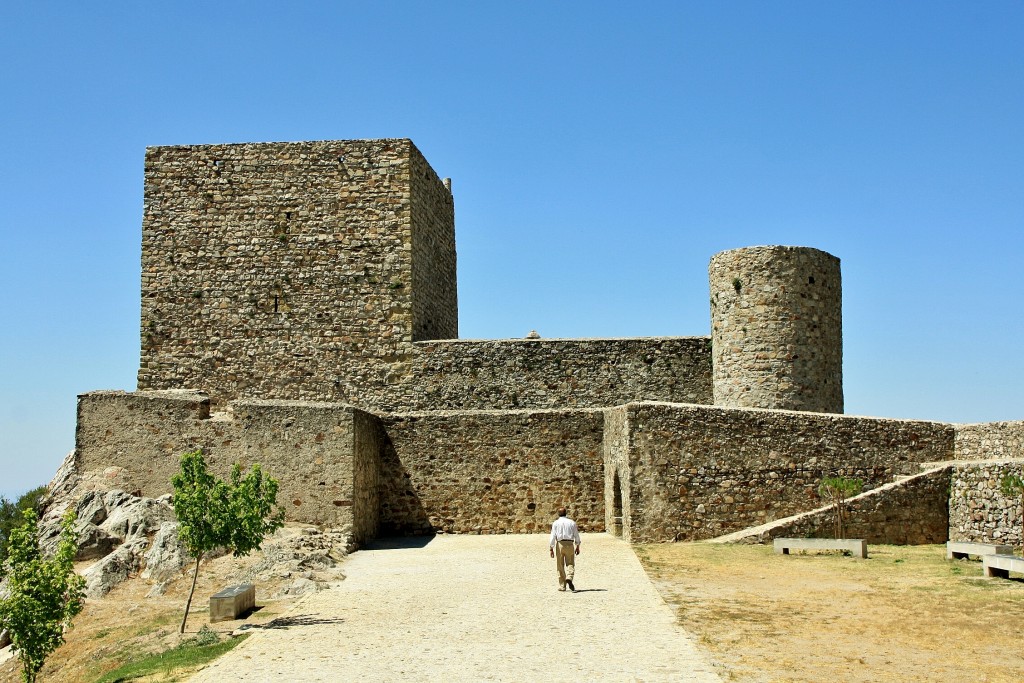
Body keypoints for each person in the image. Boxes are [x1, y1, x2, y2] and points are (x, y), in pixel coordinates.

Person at [548, 506, 581, 592]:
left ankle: (562, 585)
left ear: (558, 514)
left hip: (560, 544)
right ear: (566, 513)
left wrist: (551, 547)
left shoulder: (555, 523)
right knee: (570, 563)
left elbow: (553, 536)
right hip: (570, 544)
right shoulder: (572, 523)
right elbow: (576, 535)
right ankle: (569, 577)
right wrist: (577, 546)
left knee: (560, 565)